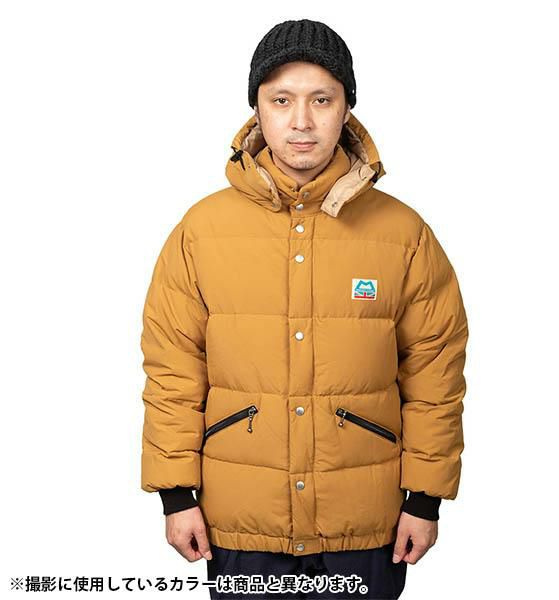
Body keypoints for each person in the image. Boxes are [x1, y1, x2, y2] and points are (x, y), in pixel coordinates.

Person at [139, 18, 469, 600]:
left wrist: (424, 499)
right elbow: (173, 369)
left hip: (365, 524)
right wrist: (176, 494)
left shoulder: (403, 234)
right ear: (257, 110)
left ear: (347, 110)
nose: (301, 121)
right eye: (281, 100)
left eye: (321, 99)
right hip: (239, 521)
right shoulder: (201, 231)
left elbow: (435, 372)